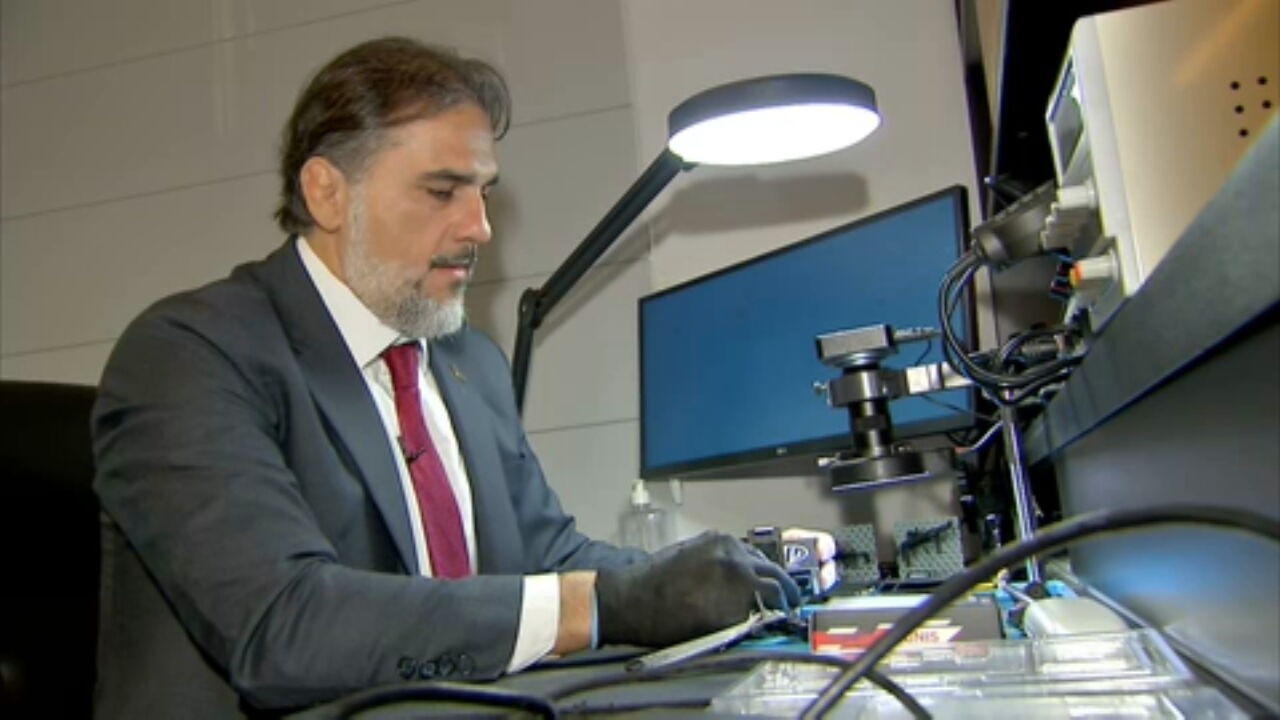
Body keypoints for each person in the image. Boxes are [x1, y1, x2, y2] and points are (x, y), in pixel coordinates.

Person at [91, 36, 814, 718]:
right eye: (442, 192)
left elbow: (549, 559)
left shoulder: (469, 361)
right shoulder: (189, 354)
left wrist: (697, 579)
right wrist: (598, 604)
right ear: (327, 193)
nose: (480, 229)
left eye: (484, 193)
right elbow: (283, 625)